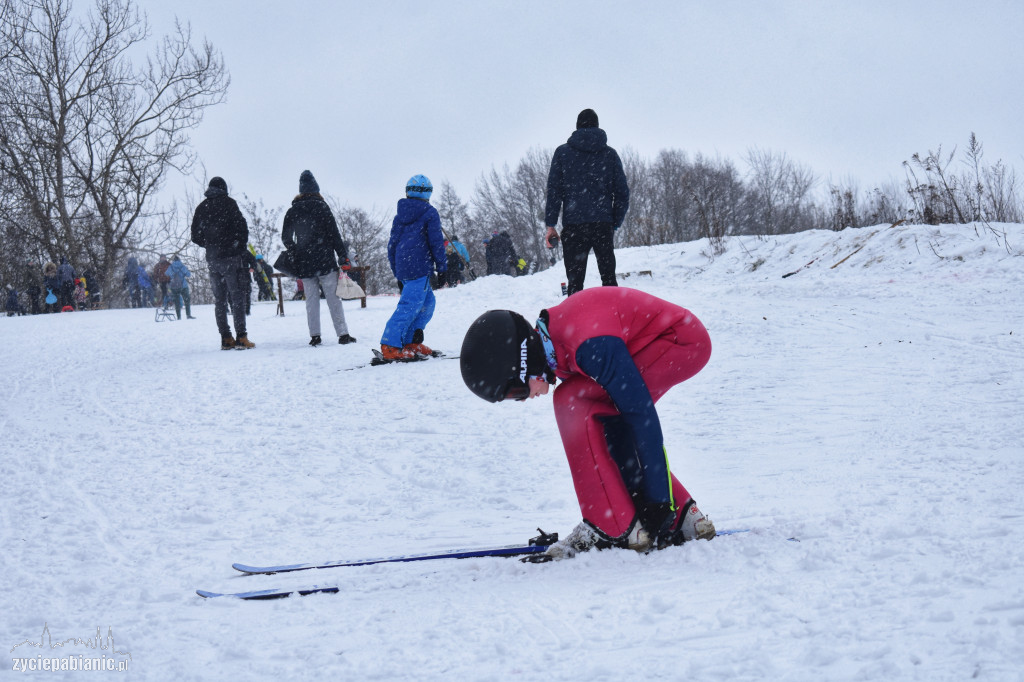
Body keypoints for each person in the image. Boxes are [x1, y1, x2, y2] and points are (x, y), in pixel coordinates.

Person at [459, 287, 715, 561]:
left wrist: (658, 501)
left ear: (523, 363)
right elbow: (617, 428)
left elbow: (641, 416)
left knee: (572, 401)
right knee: (595, 413)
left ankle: (614, 526)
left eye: (515, 392)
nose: (522, 400)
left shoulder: (588, 347)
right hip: (669, 339)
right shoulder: (556, 345)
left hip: (681, 342)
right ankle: (684, 518)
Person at [544, 108, 630, 297]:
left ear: (577, 127)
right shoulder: (610, 155)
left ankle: (576, 323)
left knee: (575, 284)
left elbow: (554, 192)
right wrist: (614, 221)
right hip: (602, 224)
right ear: (598, 127)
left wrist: (551, 224)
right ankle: (613, 319)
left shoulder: (562, 154)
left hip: (574, 225)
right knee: (608, 279)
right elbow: (623, 193)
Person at [280, 170, 356, 347]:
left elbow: (286, 237)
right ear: (316, 189)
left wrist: (295, 250)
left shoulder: (293, 210)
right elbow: (334, 234)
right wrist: (342, 255)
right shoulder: (322, 207)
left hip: (304, 263)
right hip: (325, 261)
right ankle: (343, 334)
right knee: (333, 298)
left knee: (311, 301)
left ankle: (315, 336)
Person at [379, 174, 446, 361]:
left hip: (404, 265)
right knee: (410, 306)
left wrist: (397, 272)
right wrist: (442, 268)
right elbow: (436, 242)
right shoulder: (430, 212)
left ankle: (410, 341)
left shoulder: (399, 216)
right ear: (428, 193)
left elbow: (392, 245)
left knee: (427, 303)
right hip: (419, 266)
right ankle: (390, 345)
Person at [190, 176, 254, 350]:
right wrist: (237, 245)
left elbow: (195, 236)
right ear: (224, 189)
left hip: (213, 259)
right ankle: (241, 336)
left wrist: (210, 244)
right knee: (237, 297)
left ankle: (226, 338)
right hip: (231, 257)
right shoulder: (229, 204)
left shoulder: (201, 208)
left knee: (219, 300)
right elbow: (242, 228)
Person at [166, 255, 195, 320]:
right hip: (183, 286)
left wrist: (173, 276)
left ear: (173, 260)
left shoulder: (171, 266)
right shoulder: (182, 266)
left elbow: (167, 273)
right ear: (179, 260)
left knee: (177, 302)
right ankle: (188, 315)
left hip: (174, 286)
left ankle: (179, 317)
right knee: (187, 300)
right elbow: (188, 274)